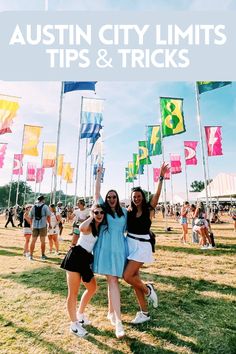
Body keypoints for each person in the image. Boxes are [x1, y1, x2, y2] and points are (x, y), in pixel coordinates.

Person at [123, 162, 169, 324]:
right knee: (135, 278)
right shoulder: (128, 212)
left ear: (142, 196)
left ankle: (148, 289)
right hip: (130, 245)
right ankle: (144, 313)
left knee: (127, 276)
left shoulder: (149, 208)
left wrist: (161, 177)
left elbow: (157, 195)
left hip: (142, 246)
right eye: (134, 197)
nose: (136, 198)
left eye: (138, 196)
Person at [61, 204, 105, 337]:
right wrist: (91, 216)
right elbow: (81, 228)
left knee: (92, 287)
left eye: (101, 213)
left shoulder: (99, 227)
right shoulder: (89, 226)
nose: (99, 215)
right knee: (73, 293)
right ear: (92, 213)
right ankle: (74, 324)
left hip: (85, 259)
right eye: (96, 212)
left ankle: (80, 314)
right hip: (75, 256)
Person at [93, 167, 127, 339]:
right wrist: (99, 175)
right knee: (113, 280)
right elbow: (97, 191)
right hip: (105, 249)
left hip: (120, 249)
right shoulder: (103, 210)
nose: (111, 199)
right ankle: (119, 323)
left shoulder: (124, 213)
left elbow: (131, 230)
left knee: (112, 281)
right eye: (109, 197)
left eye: (114, 197)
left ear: (117, 198)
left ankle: (110, 312)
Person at [28, 195, 51, 260]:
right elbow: (48, 216)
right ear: (42, 200)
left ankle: (31, 255)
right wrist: (50, 224)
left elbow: (30, 217)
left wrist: (31, 225)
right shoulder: (45, 206)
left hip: (35, 225)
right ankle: (43, 255)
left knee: (33, 241)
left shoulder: (33, 206)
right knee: (43, 241)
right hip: (43, 225)